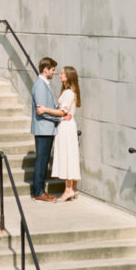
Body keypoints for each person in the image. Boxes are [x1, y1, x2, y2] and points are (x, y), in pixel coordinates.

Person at [31, 56, 70, 202]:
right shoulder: (40, 85)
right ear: (45, 69)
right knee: (41, 160)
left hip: (46, 129)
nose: (54, 72)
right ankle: (39, 192)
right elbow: (42, 111)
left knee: (43, 159)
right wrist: (60, 118)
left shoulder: (44, 84)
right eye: (53, 70)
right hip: (43, 129)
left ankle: (40, 190)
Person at [51, 65, 81, 202]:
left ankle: (68, 189)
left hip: (66, 127)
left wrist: (46, 111)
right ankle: (71, 188)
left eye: (62, 73)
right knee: (69, 155)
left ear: (68, 76)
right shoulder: (67, 92)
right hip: (66, 125)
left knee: (67, 155)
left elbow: (63, 112)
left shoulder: (68, 93)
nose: (60, 75)